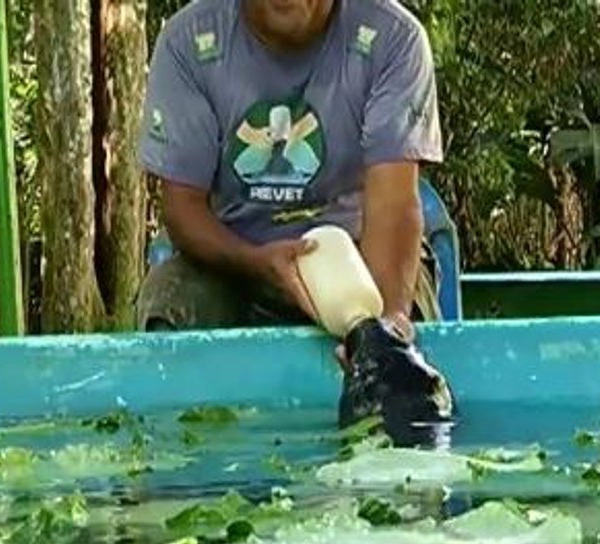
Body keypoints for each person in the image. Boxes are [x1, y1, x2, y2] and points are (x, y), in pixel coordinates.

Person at [136, 0, 445, 349]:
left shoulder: (395, 38)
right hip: (233, 259)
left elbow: (394, 205)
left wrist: (383, 333)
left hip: (361, 254)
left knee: (403, 344)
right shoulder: (187, 41)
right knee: (171, 305)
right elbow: (183, 206)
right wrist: (254, 263)